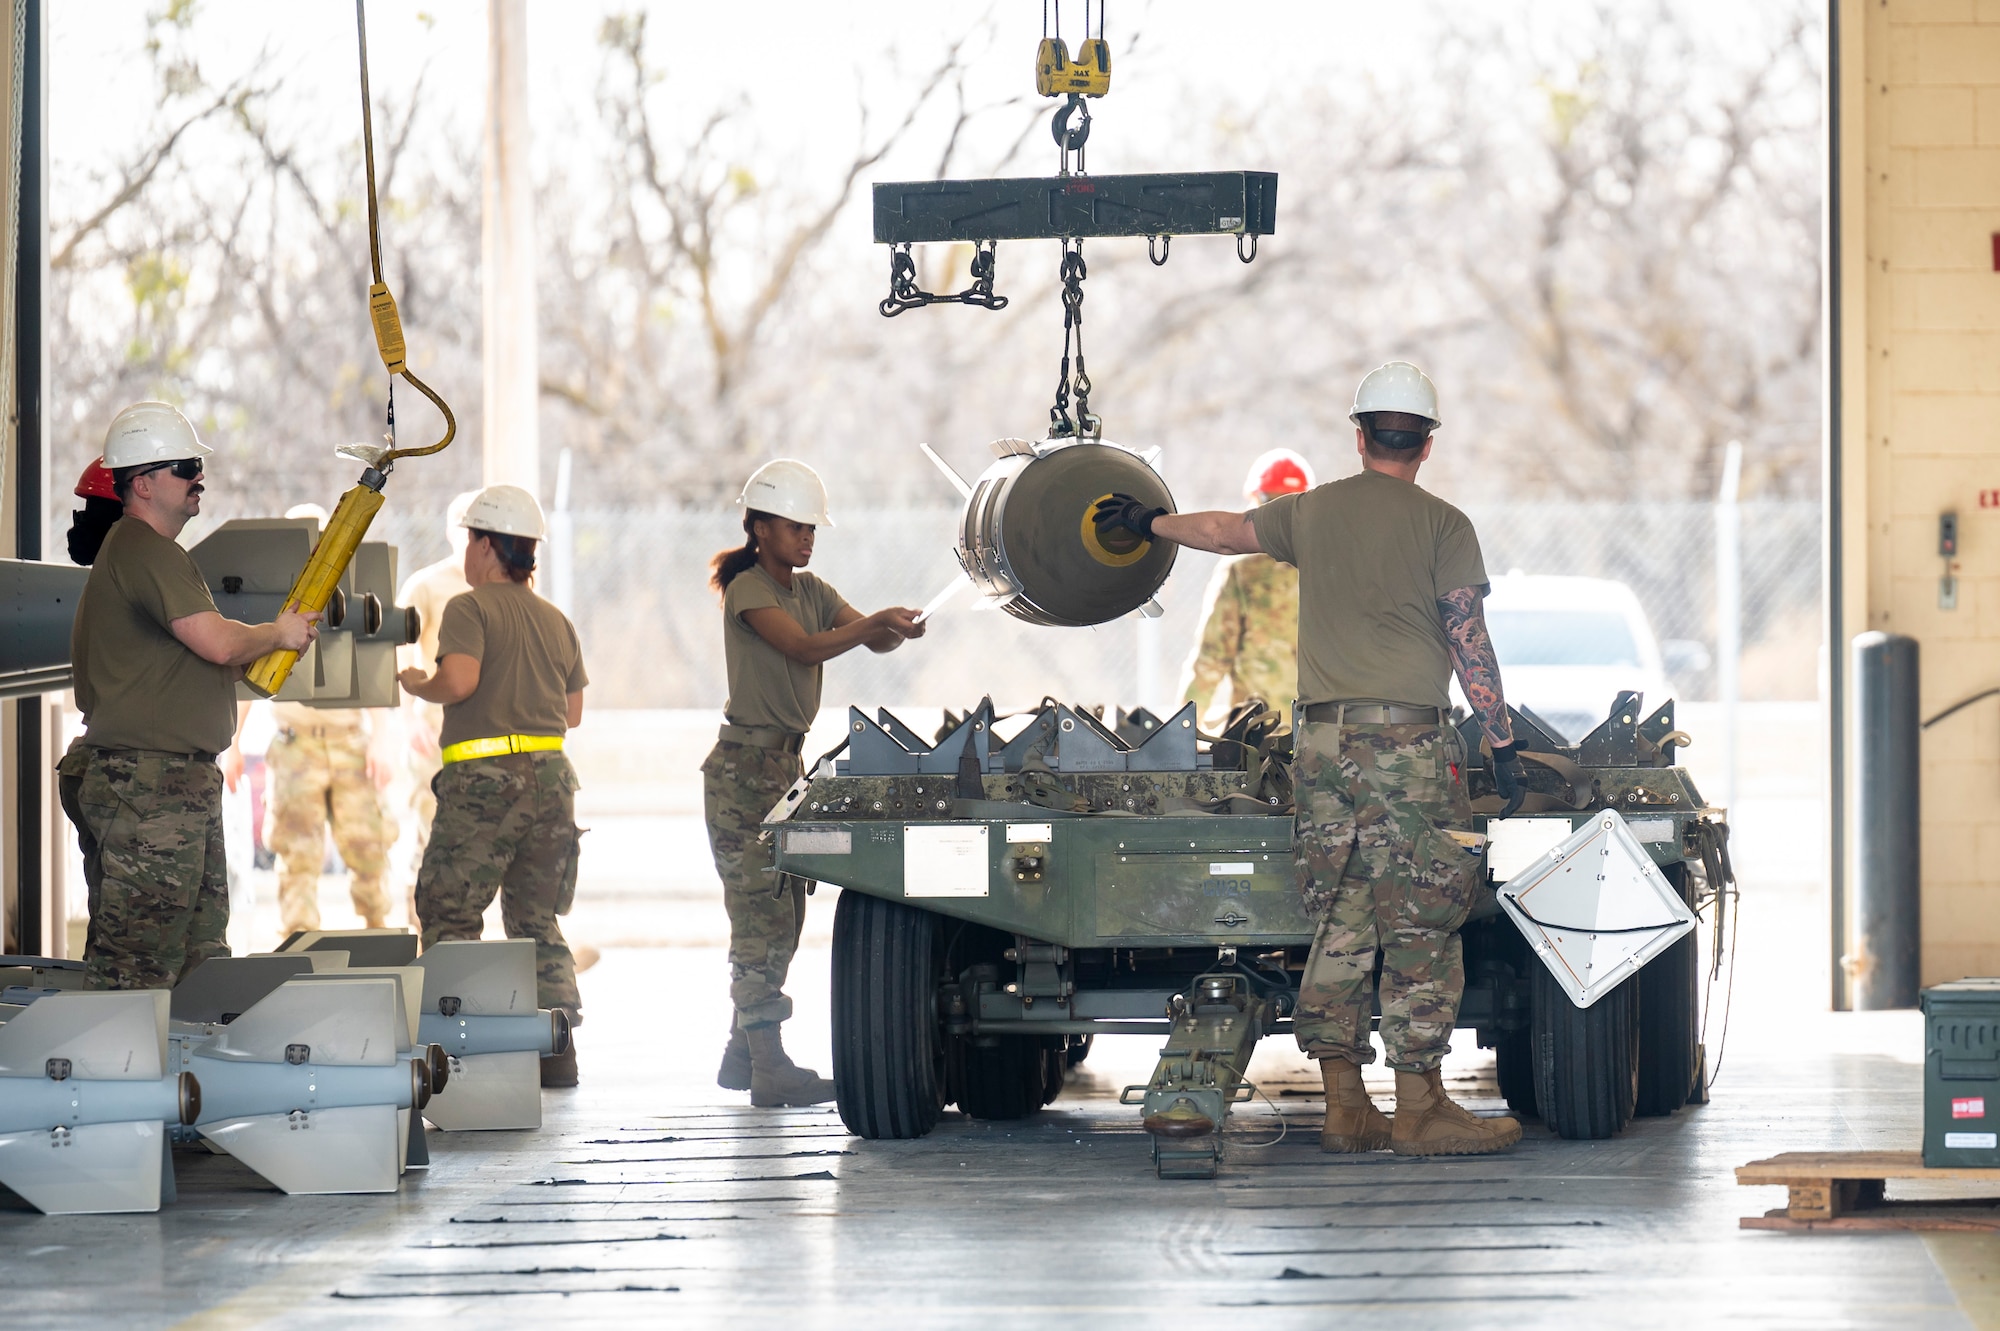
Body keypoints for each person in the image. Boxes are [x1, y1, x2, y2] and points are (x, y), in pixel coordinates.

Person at [1094, 361, 1526, 1156]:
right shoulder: (1445, 525)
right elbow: (1469, 640)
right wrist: (1502, 740)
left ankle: (1345, 1106)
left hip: (1323, 747)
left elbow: (1224, 531)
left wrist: (1147, 521)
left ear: (1359, 437)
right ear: (1426, 444)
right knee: (1422, 918)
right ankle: (1423, 1109)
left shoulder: (1314, 512)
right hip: (1410, 744)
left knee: (1340, 915)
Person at [60, 402, 319, 989]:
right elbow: (216, 644)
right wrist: (276, 632)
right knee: (139, 964)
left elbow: (197, 665)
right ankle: (115, 1075)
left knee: (197, 960)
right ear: (143, 484)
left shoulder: (151, 555)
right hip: (149, 786)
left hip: (172, 785)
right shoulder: (141, 548)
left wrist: (269, 645)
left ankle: (172, 1073)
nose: (198, 475)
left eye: (198, 464)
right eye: (184, 466)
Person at [704, 460, 926, 1107]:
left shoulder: (812, 589)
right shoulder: (749, 589)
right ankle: (767, 1063)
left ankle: (744, 1052)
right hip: (744, 769)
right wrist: (871, 624)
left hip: (782, 767)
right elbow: (803, 648)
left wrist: (895, 628)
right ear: (760, 527)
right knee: (760, 912)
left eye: (811, 529)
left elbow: (865, 639)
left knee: (785, 909)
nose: (806, 538)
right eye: (796, 526)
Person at [399, 484, 589, 1088]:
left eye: (470, 542)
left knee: (448, 908)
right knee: (536, 917)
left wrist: (417, 682)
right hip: (553, 781)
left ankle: (463, 1049)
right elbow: (574, 710)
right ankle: (556, 1050)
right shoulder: (556, 619)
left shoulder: (469, 608)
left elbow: (458, 681)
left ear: (485, 544)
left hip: (486, 785)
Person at [241, 503, 396, 941]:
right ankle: (298, 944)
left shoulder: (357, 585)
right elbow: (250, 671)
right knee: (298, 853)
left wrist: (383, 740)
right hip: (297, 744)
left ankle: (379, 934)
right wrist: (232, 744)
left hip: (350, 744)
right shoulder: (273, 595)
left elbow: (376, 666)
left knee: (368, 848)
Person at [1178, 449, 1314, 728]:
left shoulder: (1242, 572)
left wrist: (1184, 730)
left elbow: (1211, 659)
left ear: (1257, 503)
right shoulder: (1329, 566)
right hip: (1320, 734)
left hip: (1261, 735)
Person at [393, 489, 478, 922]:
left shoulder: (501, 586)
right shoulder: (426, 586)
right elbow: (401, 653)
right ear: (451, 530)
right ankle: (420, 928)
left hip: (486, 734)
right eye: (463, 524)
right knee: (430, 833)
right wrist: (410, 721)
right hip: (436, 735)